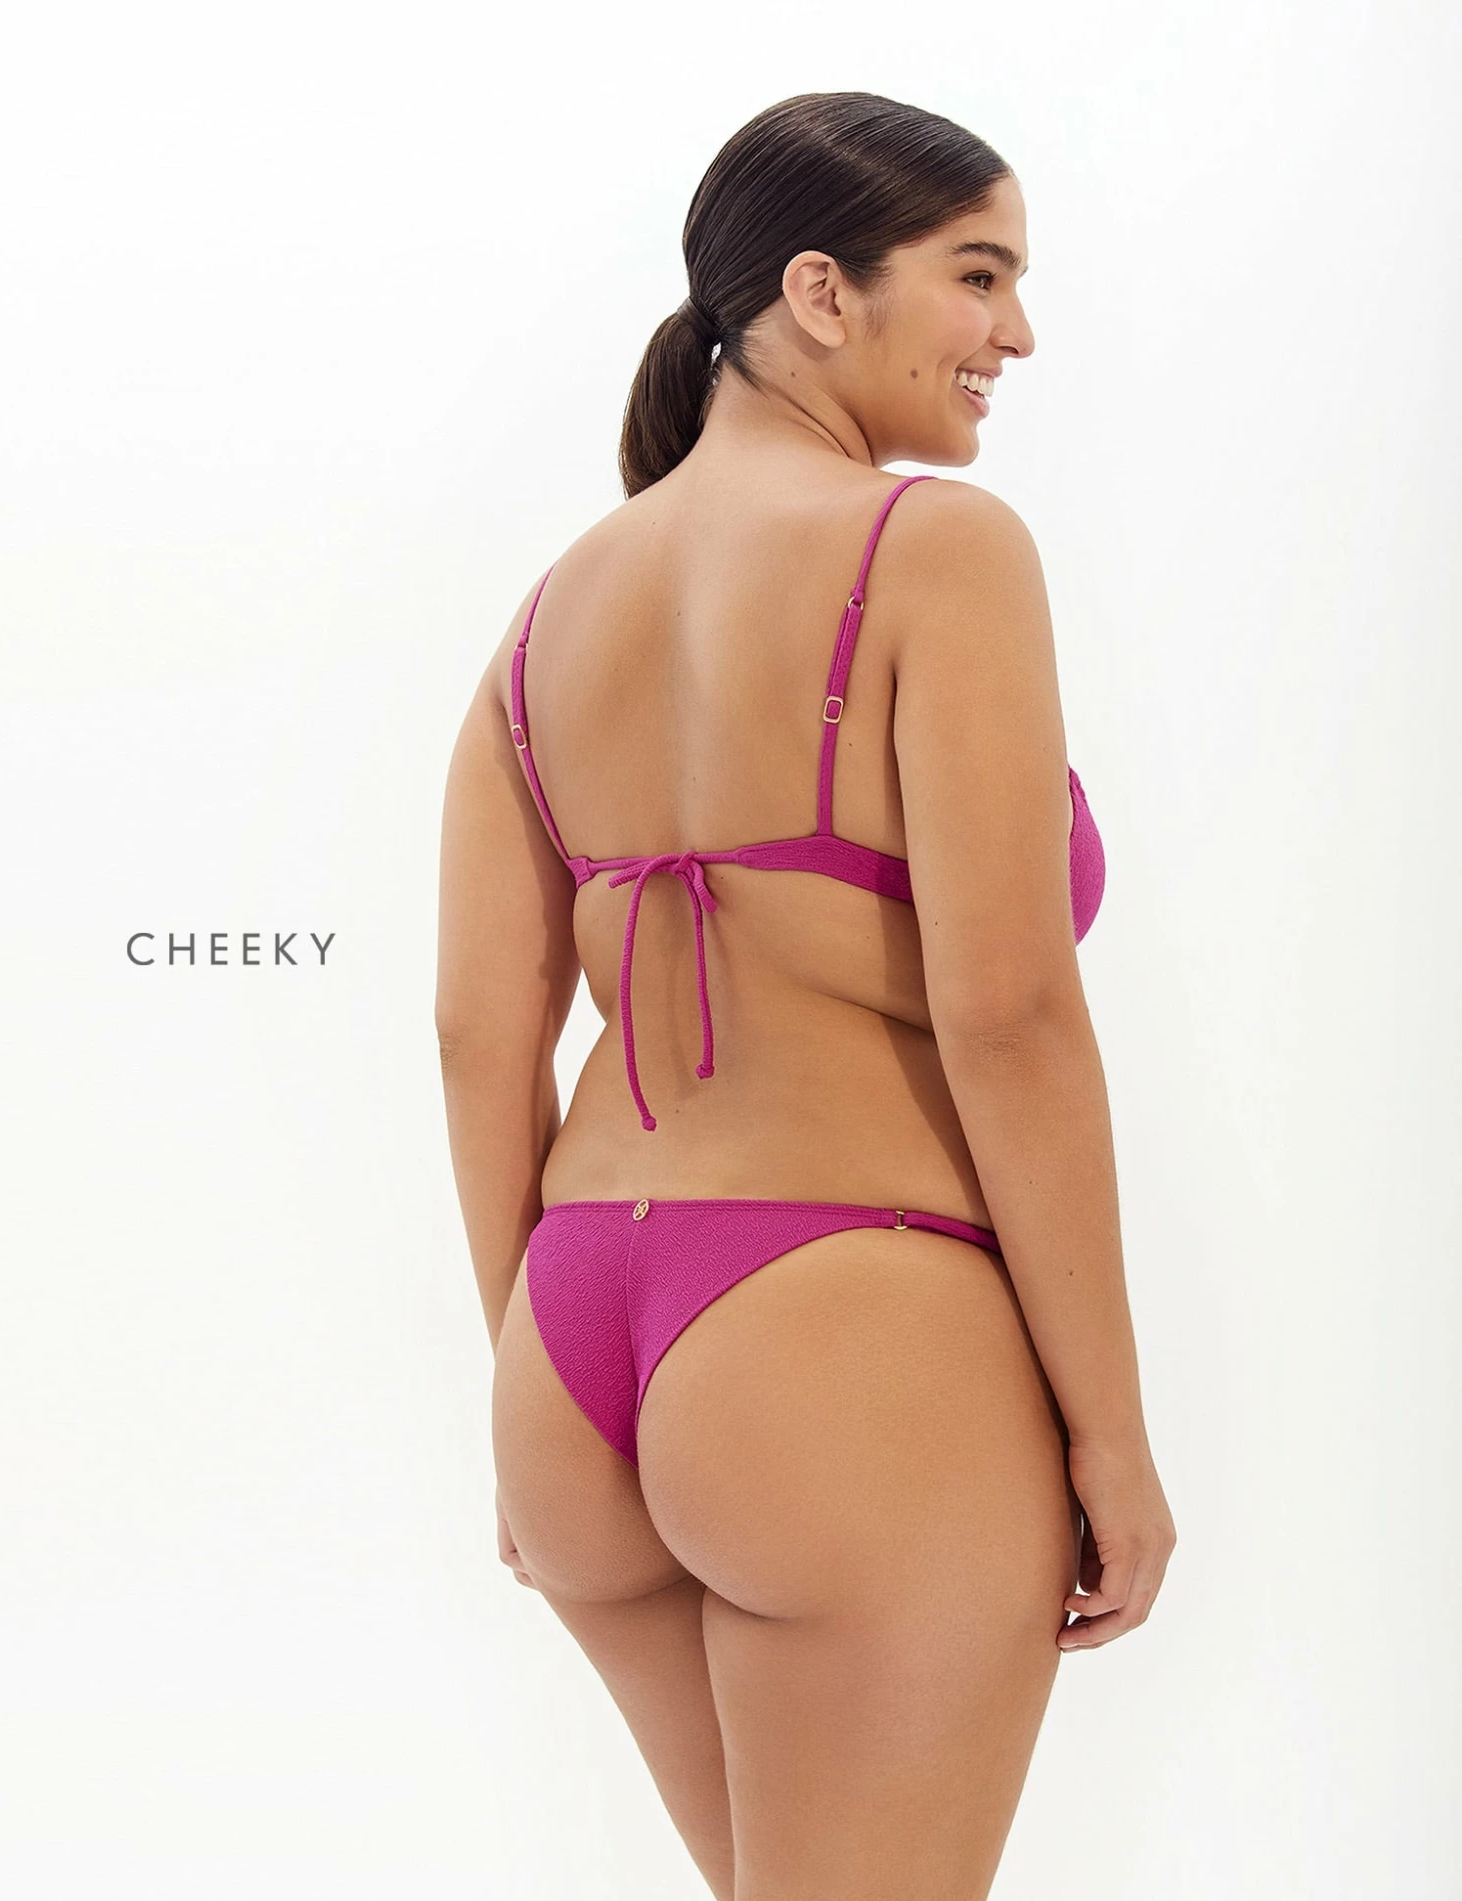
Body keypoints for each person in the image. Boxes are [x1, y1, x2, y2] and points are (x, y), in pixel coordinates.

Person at [435, 89, 1175, 1901]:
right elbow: (1009, 1019)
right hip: (840, 1324)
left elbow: (477, 1035)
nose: (1016, 333)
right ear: (822, 294)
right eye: (979, 275)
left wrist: (537, 1391)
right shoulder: (937, 550)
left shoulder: (543, 619)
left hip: (572, 1343)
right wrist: (1114, 1436)